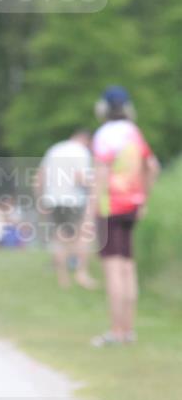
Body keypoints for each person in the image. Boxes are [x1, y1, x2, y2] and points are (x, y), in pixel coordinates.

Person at [90, 86, 159, 347]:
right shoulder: (133, 132)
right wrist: (144, 199)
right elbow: (152, 166)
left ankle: (116, 331)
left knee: (113, 270)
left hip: (110, 207)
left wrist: (92, 208)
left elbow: (101, 173)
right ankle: (129, 330)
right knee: (128, 268)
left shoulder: (105, 134)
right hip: (132, 206)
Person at [37, 129, 97, 288]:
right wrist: (96, 187)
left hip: (53, 199)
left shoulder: (54, 149)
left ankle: (62, 277)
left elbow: (40, 176)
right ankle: (81, 273)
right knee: (83, 236)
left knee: (59, 237)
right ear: (86, 140)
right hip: (73, 200)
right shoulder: (81, 151)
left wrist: (41, 199)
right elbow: (80, 177)